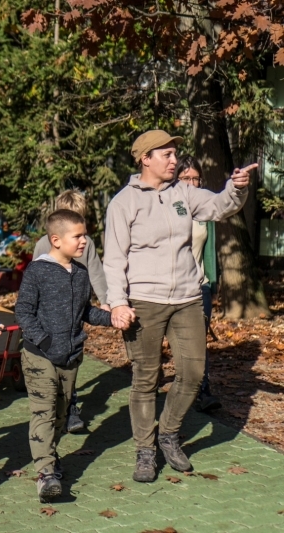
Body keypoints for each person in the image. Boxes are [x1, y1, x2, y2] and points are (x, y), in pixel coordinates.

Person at [103, 130, 254, 482]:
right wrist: (118, 303)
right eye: (167, 154)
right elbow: (114, 259)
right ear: (145, 159)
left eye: (175, 154)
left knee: (193, 373)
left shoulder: (183, 193)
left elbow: (220, 206)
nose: (175, 161)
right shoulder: (123, 203)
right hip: (144, 301)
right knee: (146, 377)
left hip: (187, 297)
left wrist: (237, 188)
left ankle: (168, 434)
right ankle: (145, 450)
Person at [15, 209, 123, 502]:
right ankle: (45, 474)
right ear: (56, 240)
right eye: (77, 236)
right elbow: (23, 312)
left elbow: (85, 312)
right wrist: (45, 341)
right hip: (39, 355)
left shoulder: (81, 273)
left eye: (85, 235)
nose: (84, 241)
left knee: (62, 414)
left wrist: (111, 318)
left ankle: (50, 456)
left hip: (71, 356)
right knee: (44, 411)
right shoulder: (37, 271)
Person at [33, 189, 110, 433]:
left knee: (72, 358)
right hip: (50, 314)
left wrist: (106, 301)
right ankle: (54, 404)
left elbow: (96, 272)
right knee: (52, 359)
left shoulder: (86, 244)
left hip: (75, 311)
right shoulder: (43, 244)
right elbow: (34, 278)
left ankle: (70, 406)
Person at [175, 155, 221, 412]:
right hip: (169, 286)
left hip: (198, 285)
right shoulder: (167, 204)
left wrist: (212, 283)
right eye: (186, 178)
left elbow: (209, 250)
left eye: (196, 179)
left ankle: (202, 392)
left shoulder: (203, 208)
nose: (192, 184)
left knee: (198, 341)